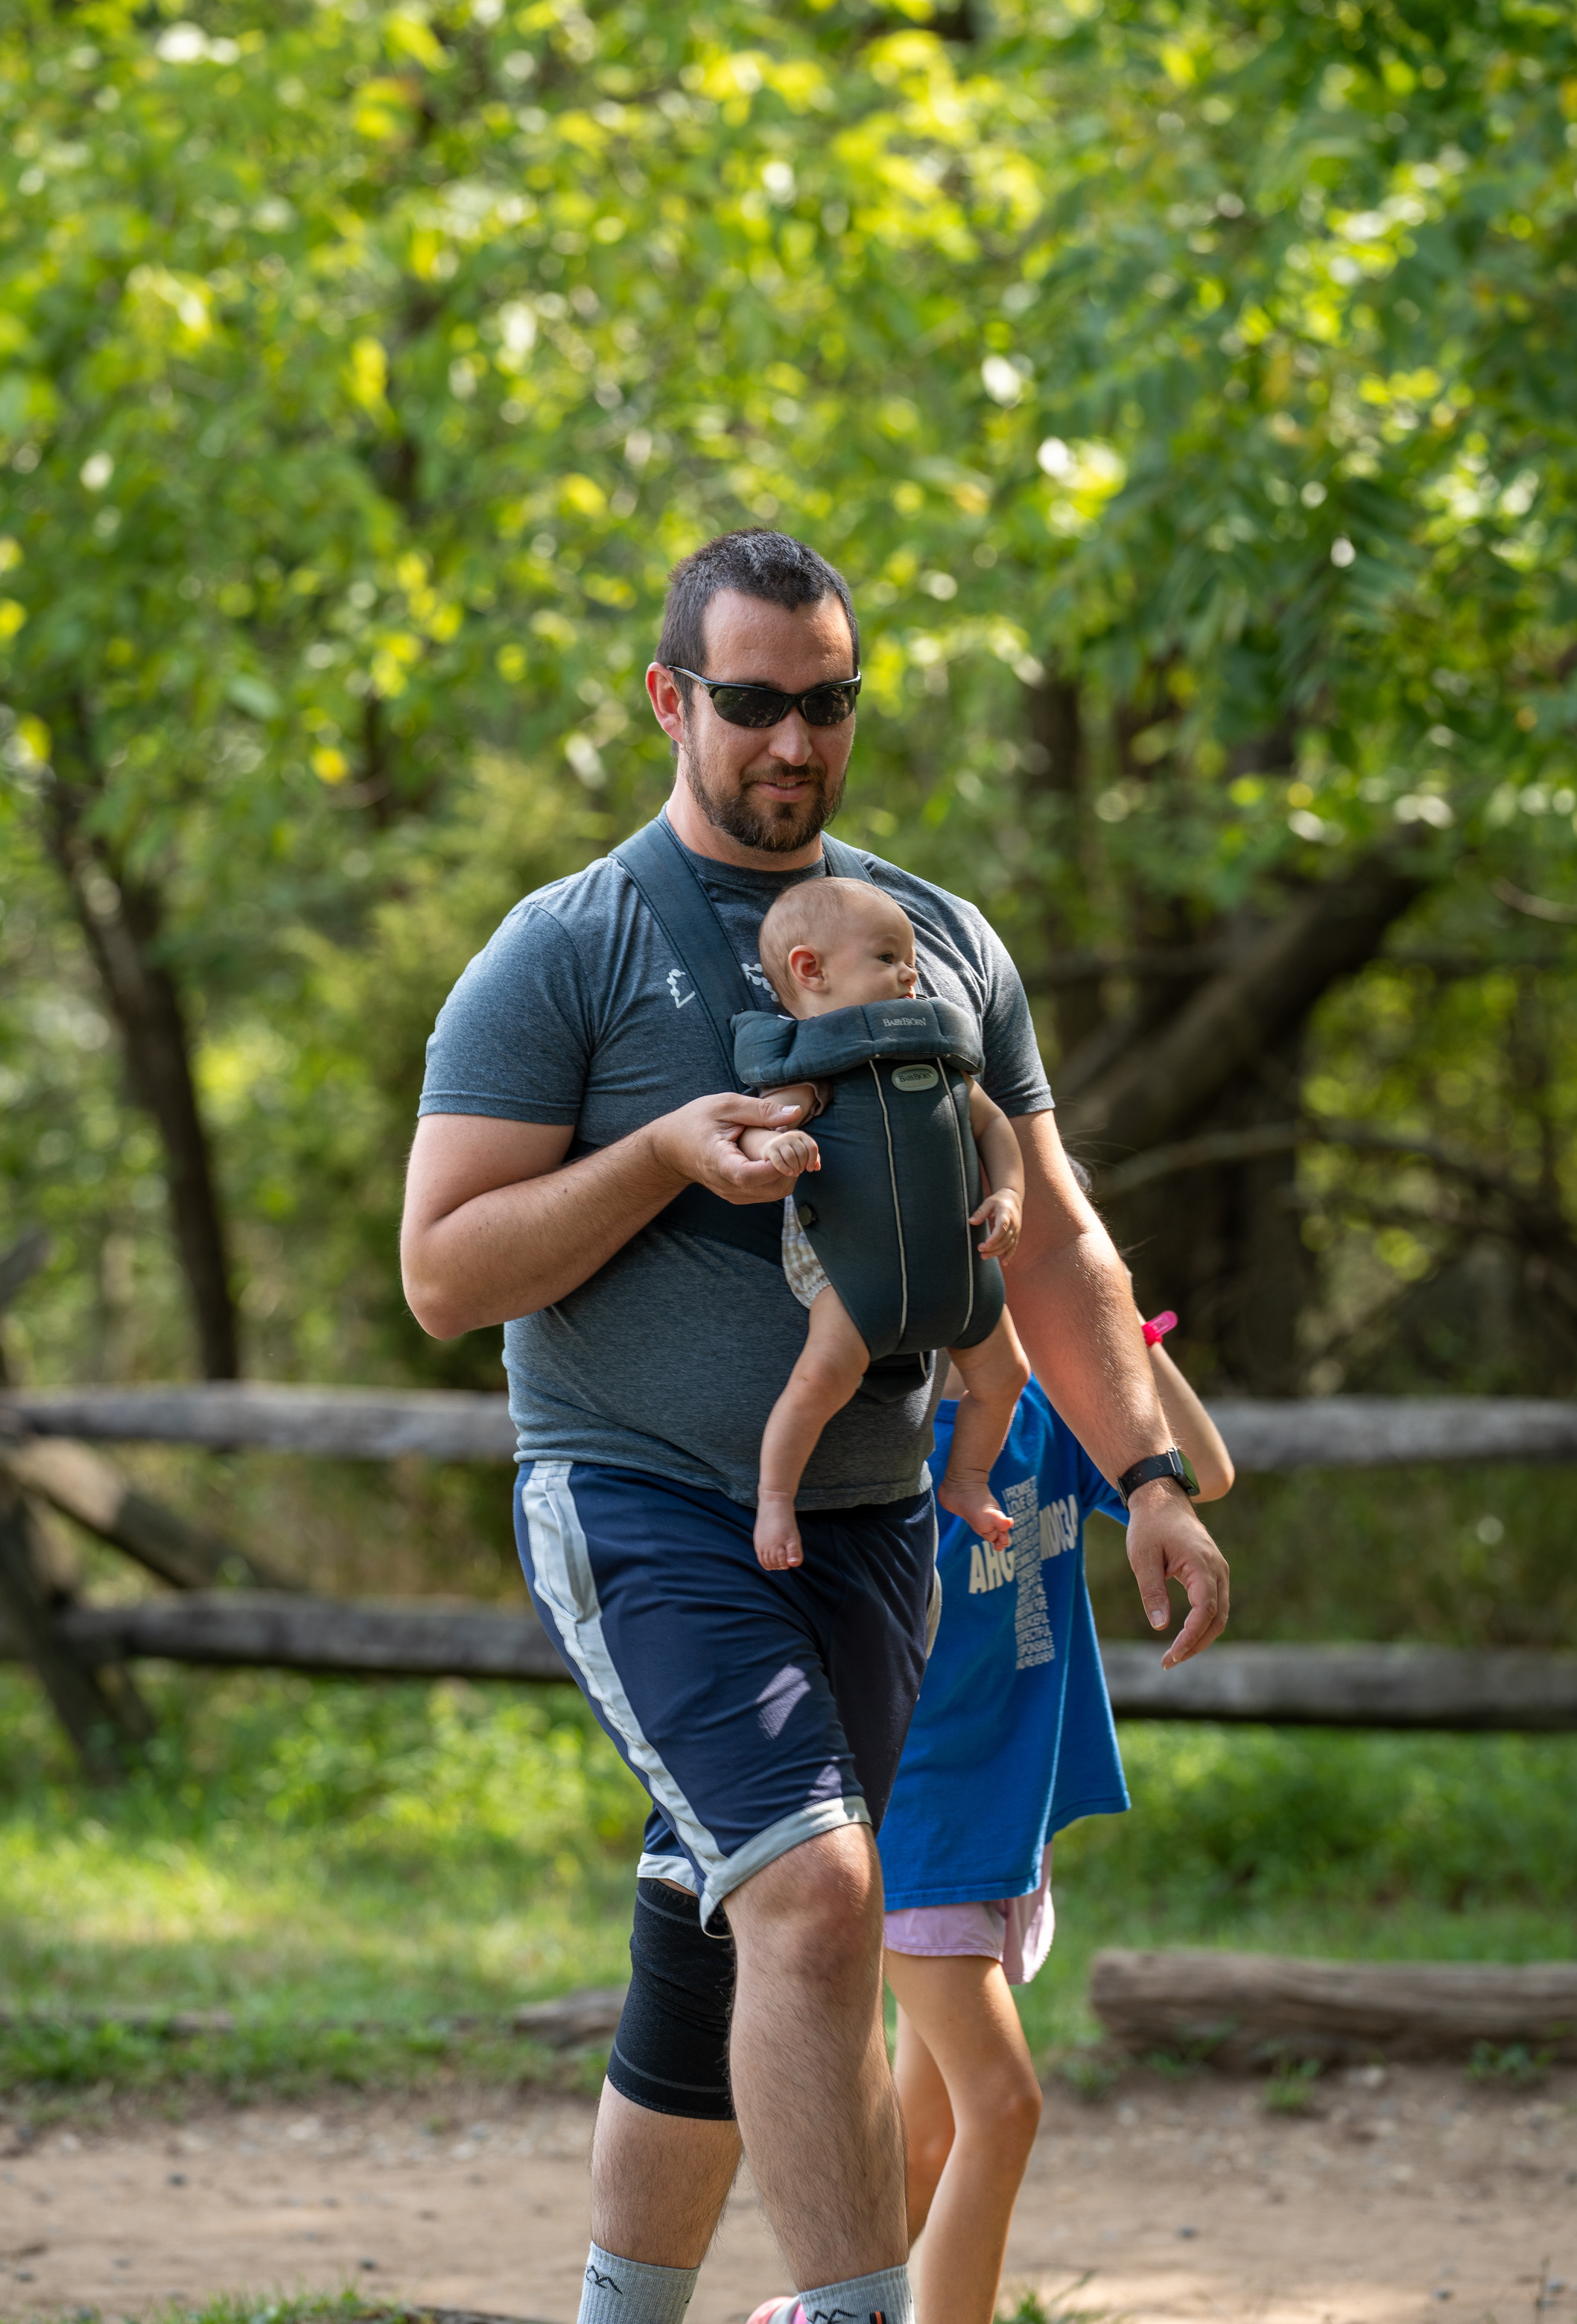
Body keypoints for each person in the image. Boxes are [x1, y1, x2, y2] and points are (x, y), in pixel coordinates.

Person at [399, 528, 1231, 2324]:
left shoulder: (932, 941)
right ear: (669, 698)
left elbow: (1060, 1232)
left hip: (874, 1523)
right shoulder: (565, 950)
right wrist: (658, 1152)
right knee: (819, 1901)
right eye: (755, 701)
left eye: (828, 701)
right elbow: (444, 1273)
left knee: (716, 1946)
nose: (794, 739)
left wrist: (1149, 1472)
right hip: (637, 1499)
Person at [878, 1310, 1234, 2324]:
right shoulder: (887, 1457)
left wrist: (1123, 1333)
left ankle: (820, 2308)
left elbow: (1199, 1475)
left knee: (926, 2143)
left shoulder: (1045, 1416)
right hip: (918, 1824)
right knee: (1003, 2107)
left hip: (998, 1816)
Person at [734, 877, 1029, 1571]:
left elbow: (995, 1129)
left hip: (959, 1271)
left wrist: (1010, 1196)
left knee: (1007, 1373)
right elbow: (753, 1131)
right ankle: (775, 1499)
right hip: (853, 1275)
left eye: (912, 960)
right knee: (817, 1386)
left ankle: (966, 1480)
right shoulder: (814, 1068)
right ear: (812, 970)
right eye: (887, 957)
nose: (910, 972)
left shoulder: (941, 1058)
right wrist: (774, 1148)